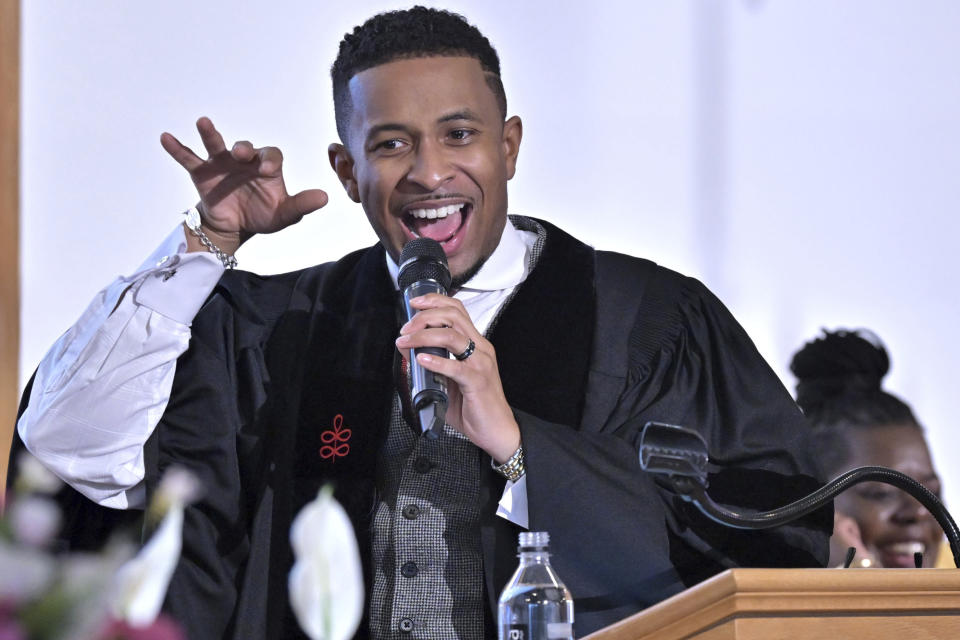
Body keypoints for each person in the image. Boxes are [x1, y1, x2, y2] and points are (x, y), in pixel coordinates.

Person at [12, 7, 830, 639]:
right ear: (347, 168)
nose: (431, 172)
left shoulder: (651, 321)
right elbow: (69, 450)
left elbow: (767, 543)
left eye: (460, 135)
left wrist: (521, 448)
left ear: (508, 146)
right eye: (393, 144)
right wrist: (206, 245)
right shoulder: (279, 328)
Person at [790, 328, 942, 568]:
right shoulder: (744, 593)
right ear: (808, 502)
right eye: (882, 493)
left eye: (931, 493)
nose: (919, 512)